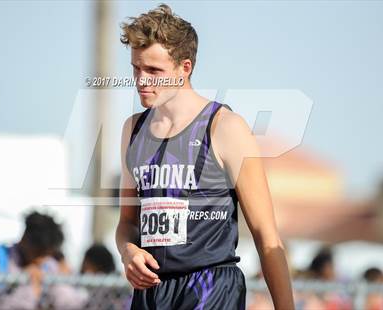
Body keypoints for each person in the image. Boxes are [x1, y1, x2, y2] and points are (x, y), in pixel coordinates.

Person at [115, 4, 294, 310]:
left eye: (154, 71)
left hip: (210, 289)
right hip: (153, 292)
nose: (142, 80)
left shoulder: (225, 127)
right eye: (136, 68)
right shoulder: (133, 129)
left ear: (185, 68)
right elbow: (127, 224)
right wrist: (128, 251)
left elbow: (267, 237)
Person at [0, 211, 87, 310]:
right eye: (38, 252)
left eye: (46, 254)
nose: (41, 260)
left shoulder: (48, 266)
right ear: (24, 239)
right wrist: (24, 286)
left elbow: (66, 299)